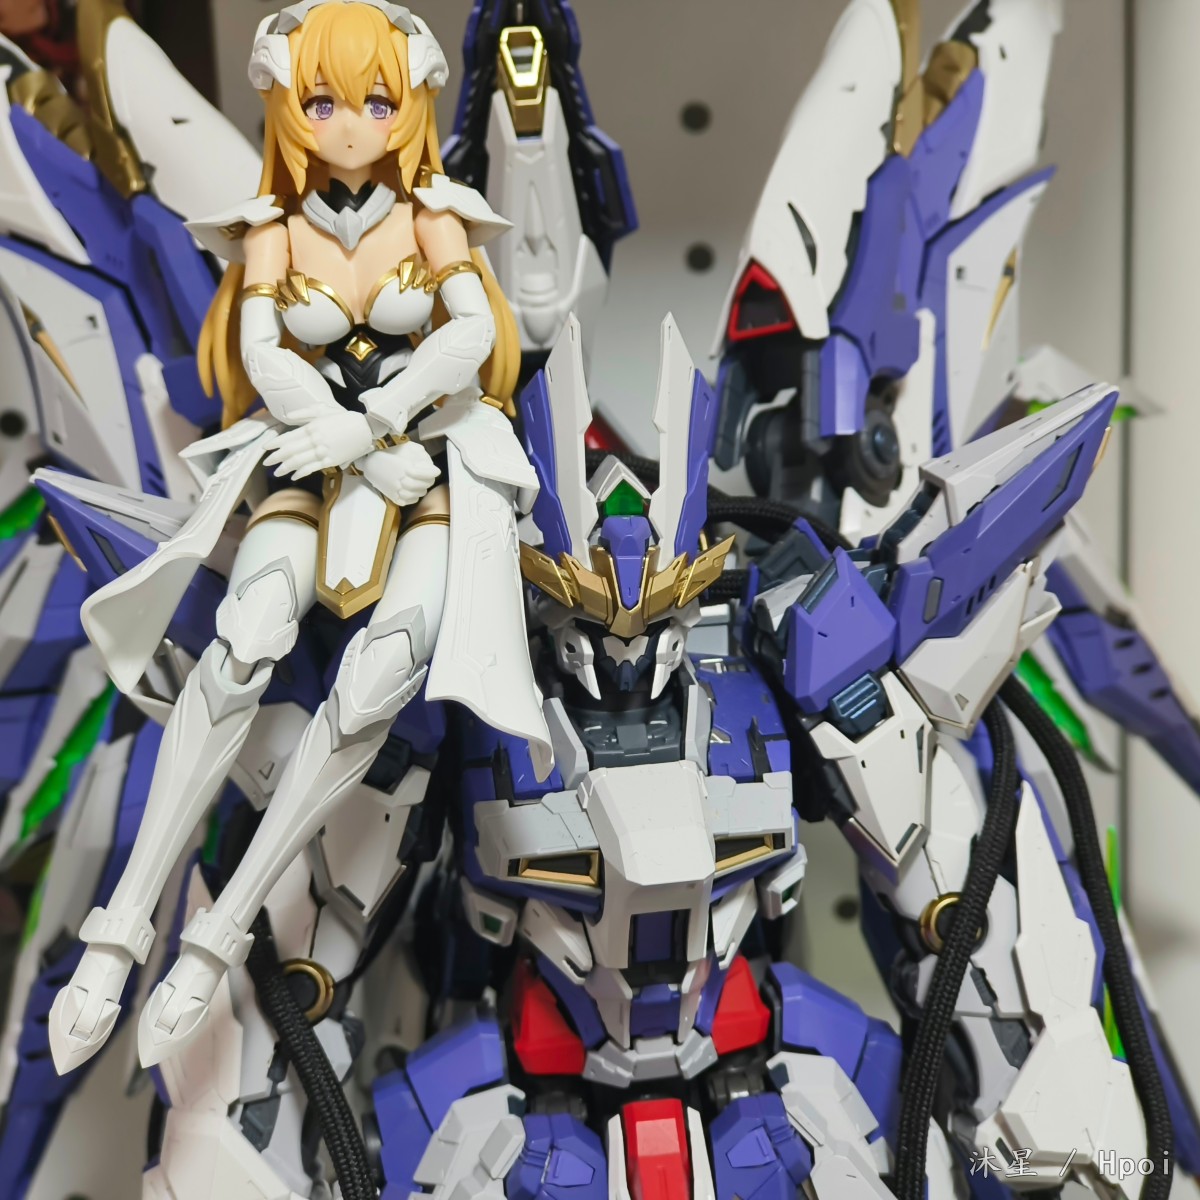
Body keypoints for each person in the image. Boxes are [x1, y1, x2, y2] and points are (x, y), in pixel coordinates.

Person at [48, 0, 551, 1074]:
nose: (352, 124)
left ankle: (216, 936)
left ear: (407, 106)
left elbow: (471, 331)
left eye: (375, 101)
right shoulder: (274, 227)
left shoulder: (436, 216)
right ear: (289, 105)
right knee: (243, 641)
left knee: (382, 675)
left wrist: (378, 424)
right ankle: (119, 928)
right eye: (323, 102)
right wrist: (338, 435)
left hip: (431, 462)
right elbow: (263, 346)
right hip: (312, 459)